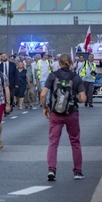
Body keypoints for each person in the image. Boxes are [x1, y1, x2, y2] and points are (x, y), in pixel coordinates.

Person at [40, 53, 87, 181]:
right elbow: (83, 98)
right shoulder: (76, 78)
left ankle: (51, 169)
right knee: (75, 141)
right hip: (72, 113)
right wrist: (74, 97)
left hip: (55, 113)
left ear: (59, 63)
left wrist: (45, 108)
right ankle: (77, 171)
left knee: (53, 142)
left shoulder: (52, 76)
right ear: (71, 63)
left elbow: (43, 95)